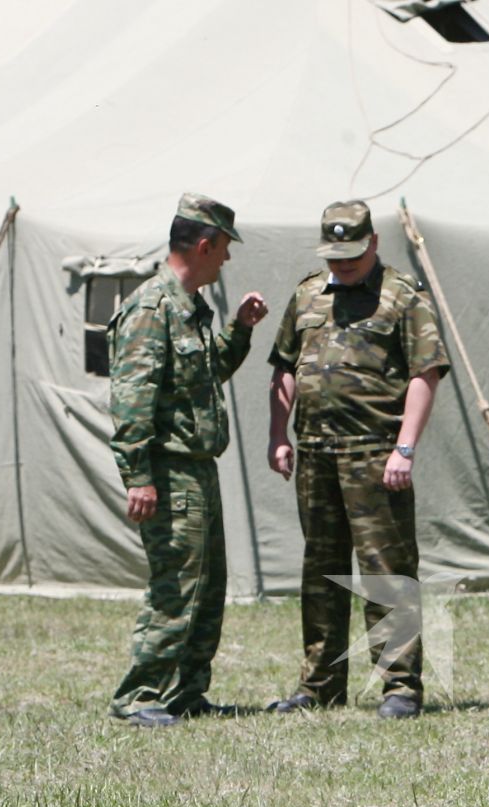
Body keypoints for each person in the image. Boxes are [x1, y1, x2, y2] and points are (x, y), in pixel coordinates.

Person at [265, 200, 450, 719]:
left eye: (351, 253)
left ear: (373, 243)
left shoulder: (402, 297)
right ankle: (319, 684)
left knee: (385, 572)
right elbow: (283, 367)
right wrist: (280, 437)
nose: (342, 264)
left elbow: (426, 372)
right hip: (316, 455)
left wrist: (405, 448)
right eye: (333, 255)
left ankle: (399, 686)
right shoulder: (306, 295)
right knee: (320, 573)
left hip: (376, 455)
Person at [108, 193, 267, 728]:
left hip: (199, 468)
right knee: (176, 585)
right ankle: (139, 695)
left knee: (207, 586)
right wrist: (139, 477)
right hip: (169, 469)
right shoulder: (152, 309)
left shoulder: (192, 308)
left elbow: (204, 376)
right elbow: (132, 399)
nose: (225, 260)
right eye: (223, 249)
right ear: (204, 244)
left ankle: (186, 693)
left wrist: (239, 329)